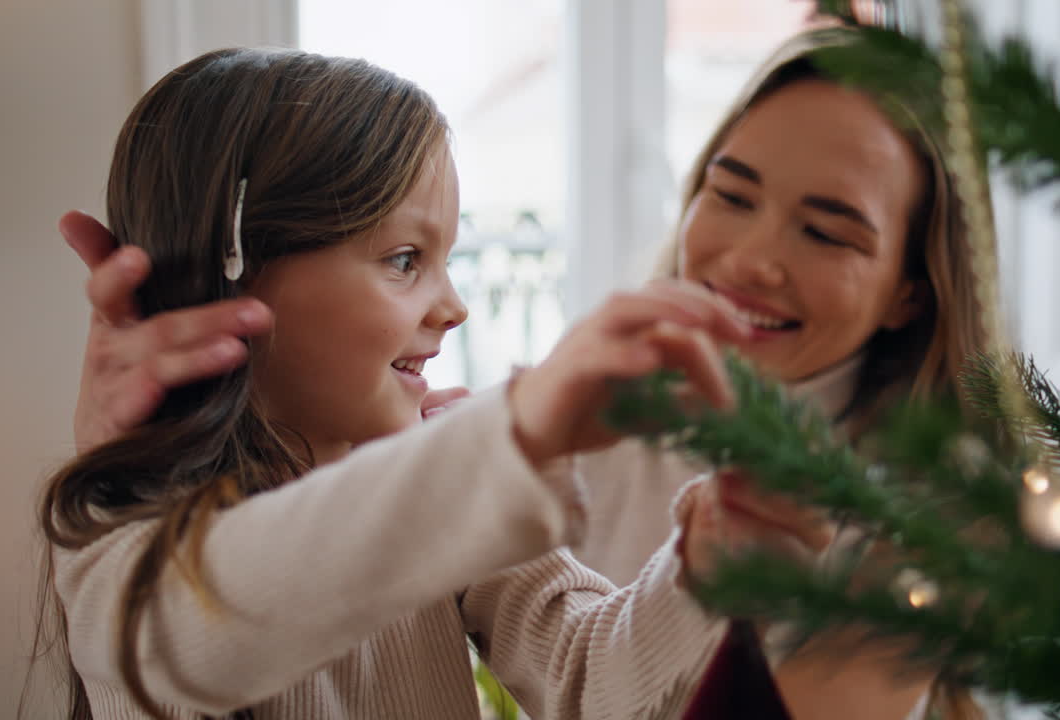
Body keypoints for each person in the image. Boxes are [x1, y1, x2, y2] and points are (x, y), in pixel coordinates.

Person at [57, 26, 992, 720]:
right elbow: (197, 636)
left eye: (447, 258)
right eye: (402, 260)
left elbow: (590, 676)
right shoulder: (123, 529)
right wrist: (511, 434)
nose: (453, 306)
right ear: (240, 265)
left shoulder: (453, 489)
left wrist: (696, 571)